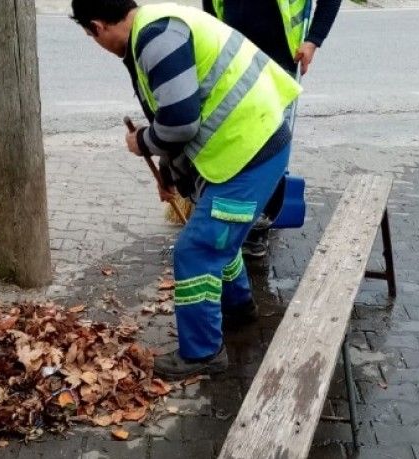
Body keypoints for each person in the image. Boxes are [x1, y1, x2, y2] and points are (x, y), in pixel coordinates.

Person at [71, 0, 302, 379]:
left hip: (250, 151)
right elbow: (177, 117)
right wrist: (171, 173)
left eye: (89, 35)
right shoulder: (156, 24)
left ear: (96, 26)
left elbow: (179, 124)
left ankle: (203, 353)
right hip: (252, 141)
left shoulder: (156, 39)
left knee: (195, 251)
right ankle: (239, 309)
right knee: (218, 239)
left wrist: (142, 142)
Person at [203, 0, 342, 258]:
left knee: (268, 144)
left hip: (278, 60)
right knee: (232, 139)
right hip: (232, 55)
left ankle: (258, 226)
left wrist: (313, 40)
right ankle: (229, 217)